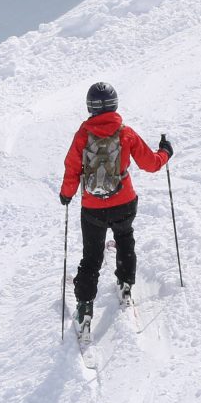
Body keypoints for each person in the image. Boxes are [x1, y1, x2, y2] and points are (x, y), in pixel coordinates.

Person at [58, 81, 172, 336]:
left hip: (92, 208)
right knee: (124, 239)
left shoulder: (82, 135)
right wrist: (165, 152)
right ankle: (125, 285)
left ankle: (85, 308)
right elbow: (151, 164)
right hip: (124, 201)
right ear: (114, 104)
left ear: (90, 106)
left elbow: (72, 168)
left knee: (92, 256)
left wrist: (66, 195)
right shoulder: (125, 132)